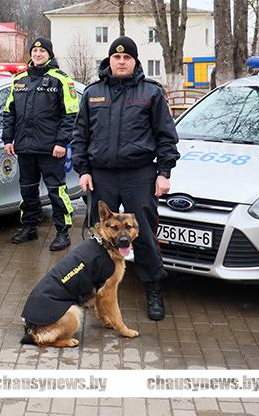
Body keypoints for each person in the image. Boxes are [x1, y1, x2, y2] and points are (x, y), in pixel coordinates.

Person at [71, 36, 179, 320]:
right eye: (116, 57)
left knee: (143, 235)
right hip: (101, 175)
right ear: (109, 61)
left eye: (127, 57)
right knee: (99, 236)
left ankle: (153, 289)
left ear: (135, 61)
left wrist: (163, 173)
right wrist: (83, 170)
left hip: (139, 175)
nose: (121, 62)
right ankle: (94, 288)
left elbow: (166, 136)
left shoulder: (151, 92)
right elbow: (80, 135)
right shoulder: (93, 92)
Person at [2, 37, 79, 251]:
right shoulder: (19, 80)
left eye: (42, 51)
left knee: (56, 191)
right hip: (25, 147)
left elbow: (70, 114)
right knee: (27, 190)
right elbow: (9, 112)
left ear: (49, 55)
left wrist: (62, 142)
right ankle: (29, 227)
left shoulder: (61, 79)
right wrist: (8, 139)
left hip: (51, 149)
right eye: (34, 51)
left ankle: (63, 233)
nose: (37, 54)